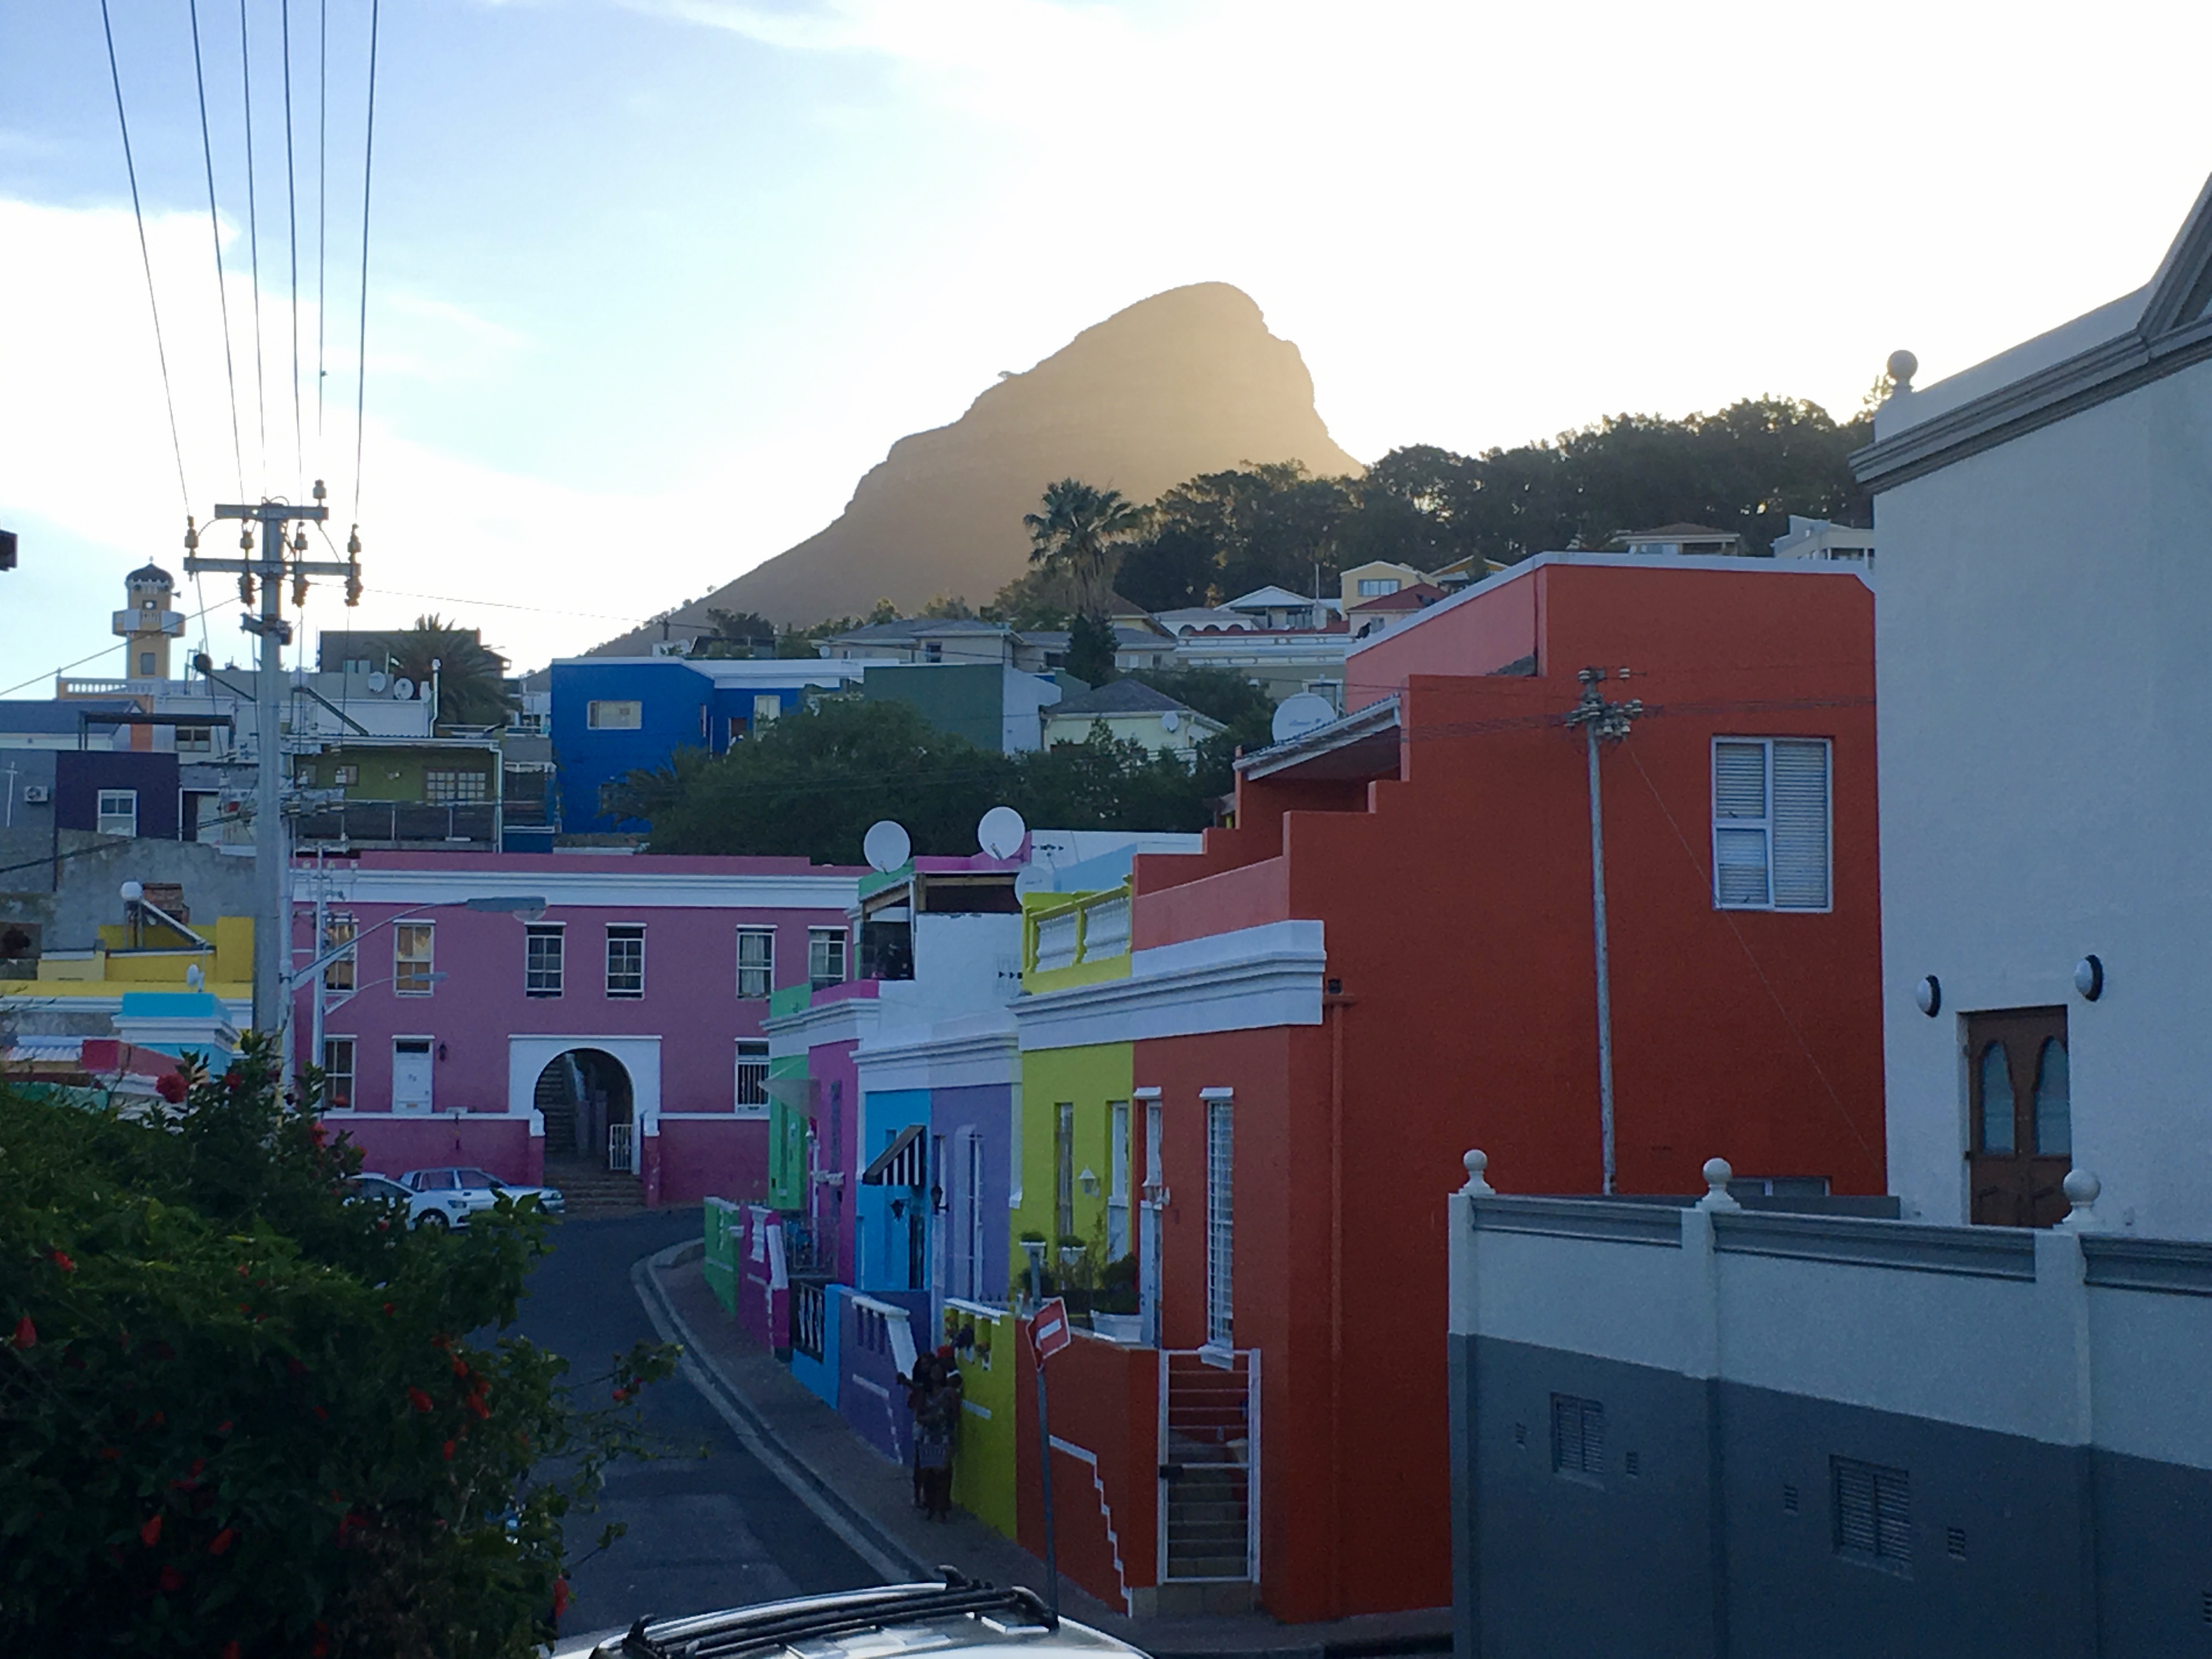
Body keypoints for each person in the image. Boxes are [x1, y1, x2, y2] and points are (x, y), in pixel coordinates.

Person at [915, 1345, 963, 1520]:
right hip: (929, 1436)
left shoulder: (950, 1393)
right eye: (933, 1372)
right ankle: (931, 1506)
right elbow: (919, 1416)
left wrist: (946, 1416)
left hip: (944, 1436)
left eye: (938, 1372)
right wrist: (931, 1419)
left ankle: (942, 1508)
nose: (935, 1375)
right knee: (929, 1473)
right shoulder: (925, 1393)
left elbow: (956, 1415)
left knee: (943, 1473)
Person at [902, 1352, 942, 1510]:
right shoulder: (923, 1387)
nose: (925, 1368)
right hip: (924, 1428)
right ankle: (919, 1495)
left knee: (933, 1465)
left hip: (937, 1429)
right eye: (923, 1365)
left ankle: (929, 1497)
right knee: (921, 1463)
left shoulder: (936, 1385)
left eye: (928, 1365)